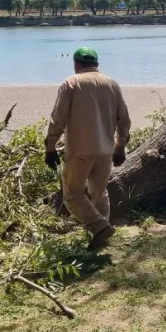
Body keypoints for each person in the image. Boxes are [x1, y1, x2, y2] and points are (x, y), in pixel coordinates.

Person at [45, 46, 131, 252]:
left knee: (72, 195)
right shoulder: (112, 84)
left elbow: (58, 119)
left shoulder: (71, 83)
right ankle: (102, 237)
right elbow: (124, 120)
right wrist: (120, 146)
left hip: (80, 150)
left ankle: (99, 227)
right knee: (99, 194)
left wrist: (50, 146)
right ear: (96, 64)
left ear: (76, 64)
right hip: (105, 150)